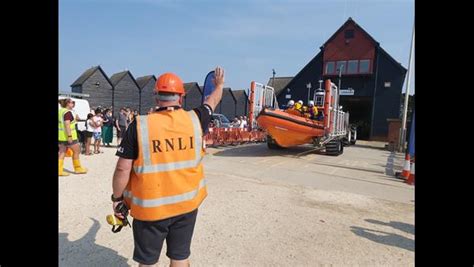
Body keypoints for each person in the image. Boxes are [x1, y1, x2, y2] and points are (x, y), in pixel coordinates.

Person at [111, 66, 225, 267]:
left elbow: (122, 168)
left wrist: (117, 199)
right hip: (186, 205)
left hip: (151, 209)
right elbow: (212, 101)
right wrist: (219, 85)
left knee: (147, 261)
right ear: (180, 97)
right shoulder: (195, 119)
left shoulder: (139, 125)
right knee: (180, 258)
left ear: (156, 97)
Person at [58, 98, 87, 176]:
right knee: (77, 151)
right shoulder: (67, 113)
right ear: (68, 103)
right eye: (72, 102)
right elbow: (67, 125)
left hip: (61, 136)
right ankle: (78, 168)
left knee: (62, 152)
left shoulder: (60, 111)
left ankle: (59, 170)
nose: (73, 104)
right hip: (69, 136)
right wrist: (69, 136)